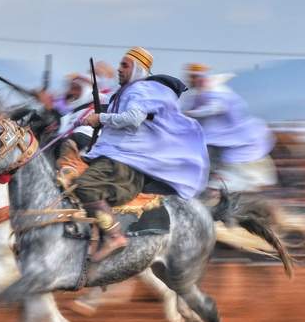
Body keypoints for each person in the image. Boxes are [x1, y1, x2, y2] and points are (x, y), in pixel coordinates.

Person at [74, 47, 209, 262]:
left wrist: (100, 119)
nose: (119, 69)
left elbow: (133, 119)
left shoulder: (139, 91)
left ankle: (114, 236)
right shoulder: (129, 91)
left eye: (124, 65)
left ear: (137, 69)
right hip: (115, 156)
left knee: (84, 186)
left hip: (123, 163)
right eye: (120, 64)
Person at [183, 63, 277, 192]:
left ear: (200, 77)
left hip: (230, 140)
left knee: (209, 168)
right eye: (190, 77)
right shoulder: (196, 95)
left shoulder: (216, 91)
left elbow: (215, 108)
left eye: (193, 77)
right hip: (213, 139)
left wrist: (190, 114)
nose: (190, 80)